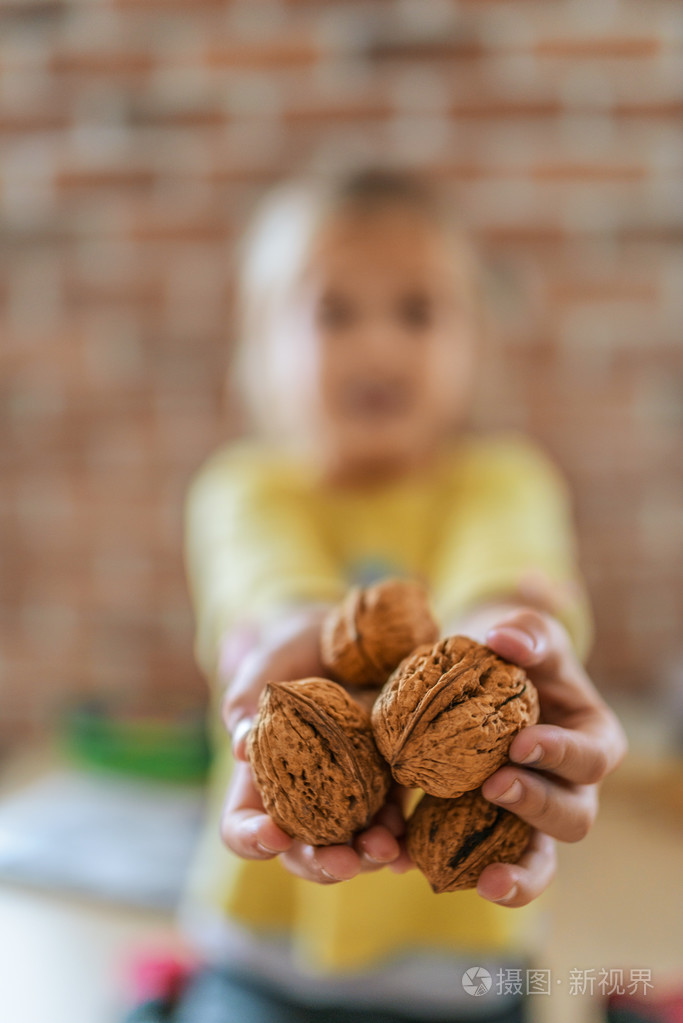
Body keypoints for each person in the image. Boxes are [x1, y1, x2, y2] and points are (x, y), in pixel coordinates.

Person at [133, 167, 627, 1022]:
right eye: (333, 313)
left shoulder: (501, 479)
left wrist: (509, 643)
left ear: (473, 342)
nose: (378, 347)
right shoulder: (246, 486)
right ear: (260, 348)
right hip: (262, 943)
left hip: (466, 955)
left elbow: (509, 577)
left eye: (417, 311)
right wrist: (285, 629)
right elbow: (266, 582)